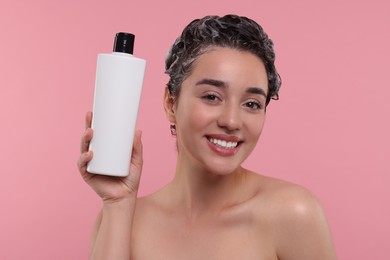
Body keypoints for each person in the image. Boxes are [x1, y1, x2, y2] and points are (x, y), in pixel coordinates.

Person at [78, 14, 337, 259]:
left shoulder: (293, 213)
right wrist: (117, 202)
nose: (231, 121)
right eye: (212, 97)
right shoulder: (120, 218)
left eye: (252, 104)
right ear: (171, 103)